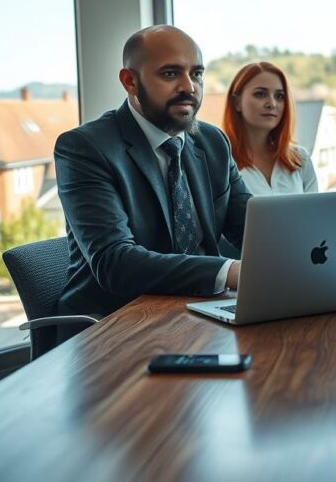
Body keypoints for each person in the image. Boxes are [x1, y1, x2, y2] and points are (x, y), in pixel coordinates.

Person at [54, 25, 251, 324]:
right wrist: (228, 272)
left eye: (196, 74)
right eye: (171, 74)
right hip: (115, 323)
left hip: (201, 313)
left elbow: (251, 227)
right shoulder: (85, 148)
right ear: (130, 81)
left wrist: (309, 252)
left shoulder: (213, 142)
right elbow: (115, 263)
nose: (190, 87)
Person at [222, 62, 318, 196]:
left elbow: (315, 214)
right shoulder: (221, 161)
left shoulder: (300, 159)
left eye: (279, 96)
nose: (272, 104)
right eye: (260, 94)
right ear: (237, 102)